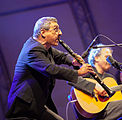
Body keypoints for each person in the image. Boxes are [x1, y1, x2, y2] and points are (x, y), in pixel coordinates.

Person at [6, 17, 99, 120]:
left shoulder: (44, 47)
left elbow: (61, 56)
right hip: (23, 108)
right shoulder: (33, 50)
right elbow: (51, 70)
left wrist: (73, 60)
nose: (60, 33)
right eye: (55, 29)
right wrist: (78, 72)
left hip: (37, 104)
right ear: (43, 32)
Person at [71, 44, 122, 120]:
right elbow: (72, 79)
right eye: (107, 57)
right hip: (93, 113)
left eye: (111, 58)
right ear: (96, 58)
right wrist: (95, 86)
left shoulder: (110, 78)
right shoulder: (87, 72)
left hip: (110, 111)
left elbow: (116, 100)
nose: (110, 61)